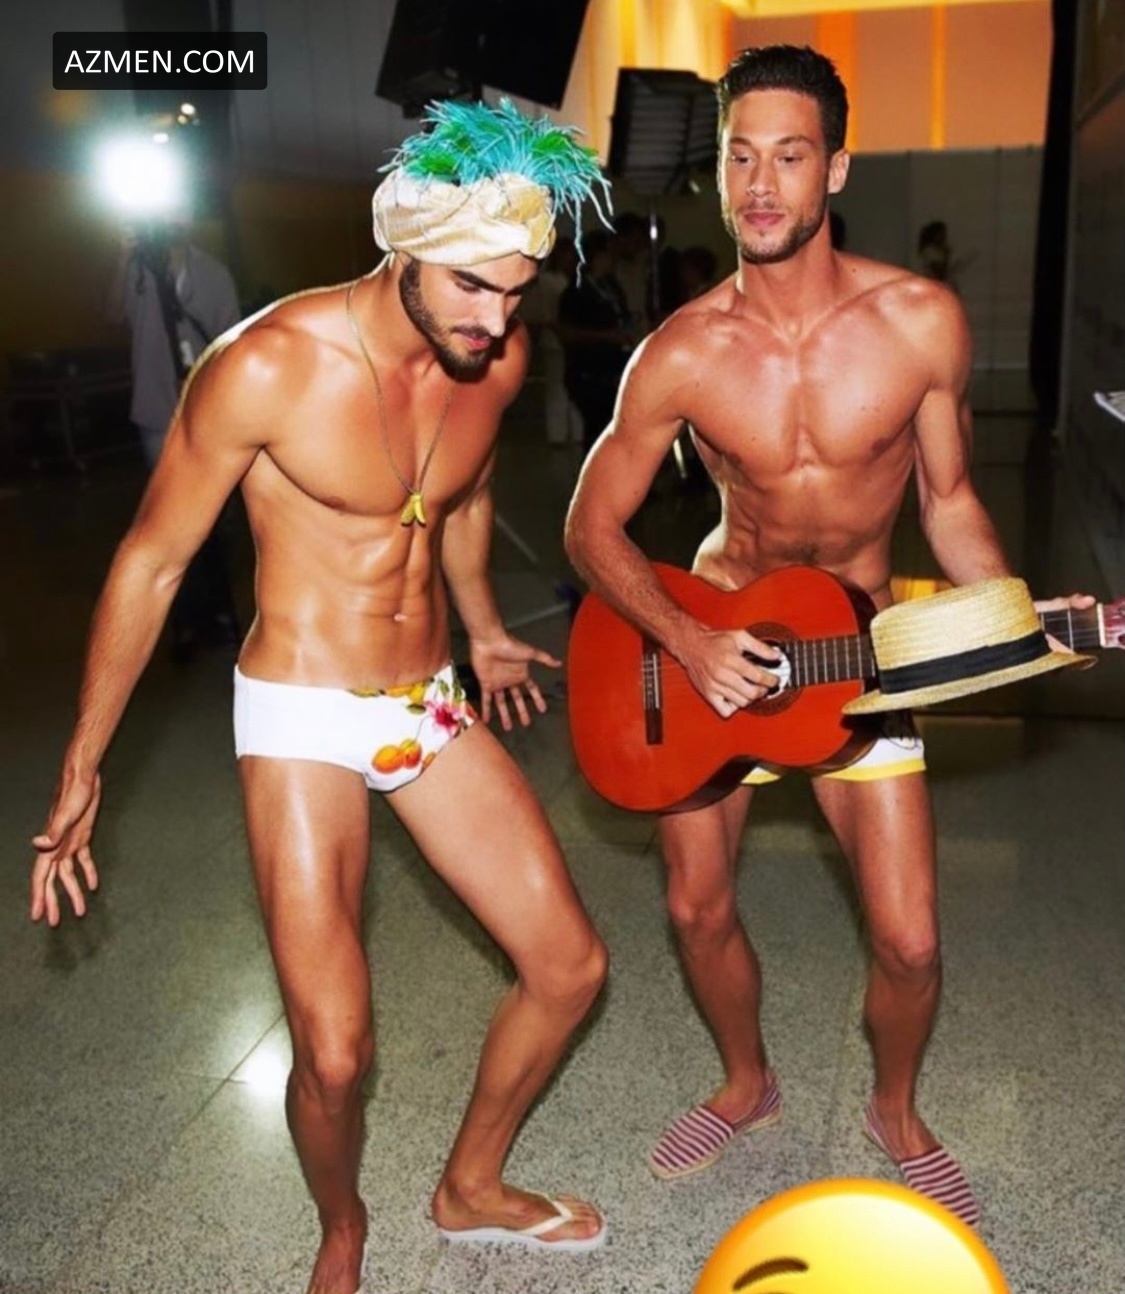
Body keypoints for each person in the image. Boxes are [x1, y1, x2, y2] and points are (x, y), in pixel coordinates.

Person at [32, 99, 611, 1294]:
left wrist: (485, 626)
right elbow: (151, 562)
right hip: (300, 704)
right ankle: (341, 1224)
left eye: (516, 294)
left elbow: (458, 498)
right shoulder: (266, 366)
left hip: (425, 696)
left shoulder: (492, 360)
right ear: (404, 247)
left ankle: (470, 1185)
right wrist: (84, 764)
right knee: (336, 1052)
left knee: (569, 967)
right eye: (472, 286)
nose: (496, 320)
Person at [565, 44, 1089, 1229]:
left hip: (859, 661)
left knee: (910, 943)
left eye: (790, 156)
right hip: (712, 653)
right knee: (696, 910)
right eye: (740, 157)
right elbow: (590, 527)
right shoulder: (681, 350)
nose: (761, 184)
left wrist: (1008, 619)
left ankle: (894, 1110)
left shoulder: (919, 324)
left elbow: (949, 503)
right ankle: (746, 1082)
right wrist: (685, 640)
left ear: (836, 168)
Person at [105, 219, 243, 660]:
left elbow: (233, 340)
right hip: (156, 411)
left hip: (207, 414)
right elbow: (112, 313)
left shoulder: (213, 273)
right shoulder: (138, 270)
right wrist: (123, 256)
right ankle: (184, 620)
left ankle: (218, 612)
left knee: (211, 520)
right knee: (166, 520)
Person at [558, 228, 634, 455]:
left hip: (614, 367)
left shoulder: (612, 286)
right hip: (588, 371)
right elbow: (567, 333)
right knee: (596, 431)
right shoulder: (577, 291)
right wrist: (606, 336)